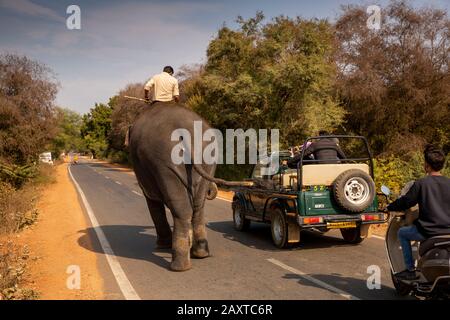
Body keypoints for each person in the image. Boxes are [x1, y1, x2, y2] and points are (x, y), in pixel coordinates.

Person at [387, 144, 450, 280]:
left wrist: (390, 206)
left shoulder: (421, 183)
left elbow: (406, 202)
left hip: (428, 232)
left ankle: (410, 270)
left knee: (402, 233)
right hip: (448, 231)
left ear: (427, 165)